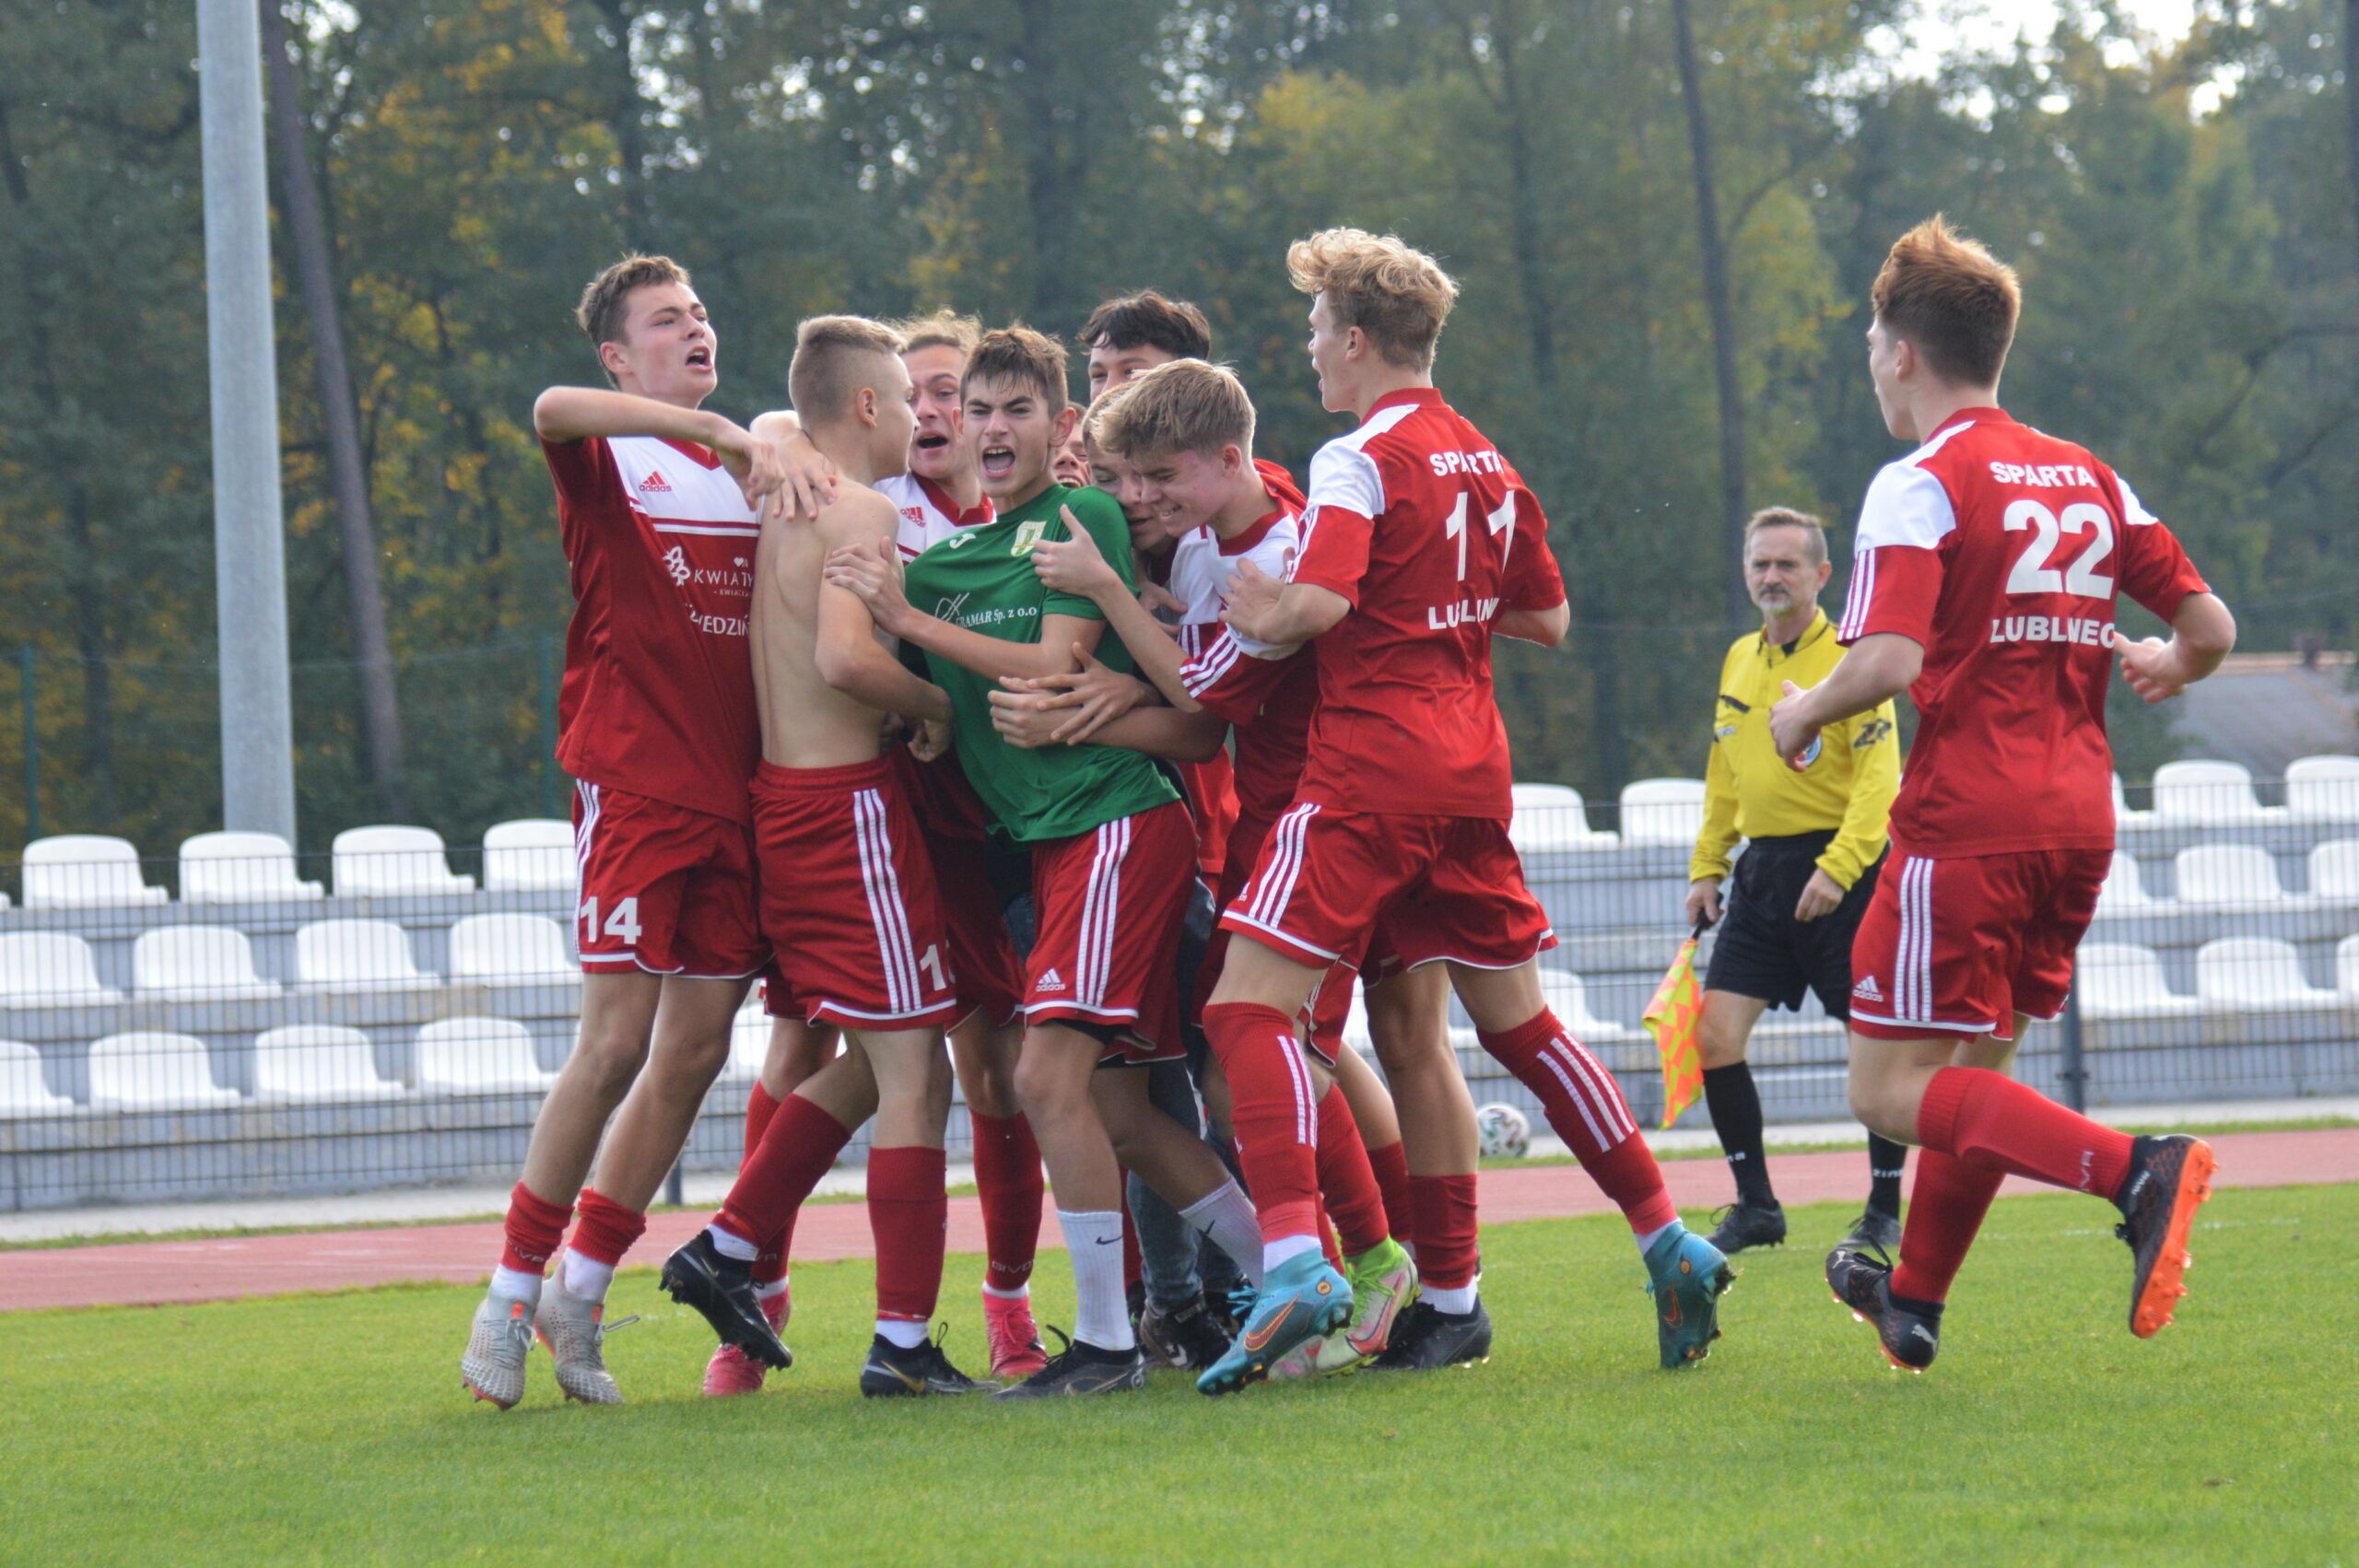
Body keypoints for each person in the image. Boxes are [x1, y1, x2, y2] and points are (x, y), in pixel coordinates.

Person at [1195, 228, 1733, 1395]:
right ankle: (1663, 1237)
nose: (1309, 353)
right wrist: (1430, 605)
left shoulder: (1357, 455)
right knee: (1519, 1028)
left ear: (1354, 339)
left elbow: (1317, 604)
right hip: (1470, 772)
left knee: (1242, 1007)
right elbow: (1547, 618)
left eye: (1314, 332)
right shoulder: (1488, 459)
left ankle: (1294, 1263)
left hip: (1368, 772)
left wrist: (1261, 605)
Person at [1768, 216, 2235, 1373]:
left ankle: (2136, 1171)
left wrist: (1802, 709)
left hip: (1967, 821)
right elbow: (2210, 626)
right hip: (2076, 819)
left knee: (1888, 1089)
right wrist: (2171, 665)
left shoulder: (1919, 481)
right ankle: (1913, 1298)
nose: (1871, 364)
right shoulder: (2088, 474)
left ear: (1900, 353)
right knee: (1978, 1067)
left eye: (1871, 345)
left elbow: (1888, 661)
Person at [827, 327, 1264, 1398]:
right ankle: (1292, 1279)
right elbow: (897, 673)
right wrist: (924, 697)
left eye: (1017, 409)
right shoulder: (947, 560)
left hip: (1115, 827)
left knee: (1044, 1077)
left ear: (1061, 425)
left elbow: (1052, 662)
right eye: (976, 408)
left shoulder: (1083, 518)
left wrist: (907, 615)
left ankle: (1110, 1345)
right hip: (1048, 851)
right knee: (1121, 1114)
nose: (991, 427)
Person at [994, 361, 1421, 1377]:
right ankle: (1341, 1269)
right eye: (1121, 477)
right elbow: (1188, 680)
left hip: (1326, 822)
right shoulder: (1201, 541)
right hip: (1268, 831)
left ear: (1221, 458)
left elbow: (1200, 704)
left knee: (1270, 1054)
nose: (1137, 497)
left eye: (1153, 476)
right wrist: (1130, 653)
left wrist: (1108, 626)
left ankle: (1367, 1266)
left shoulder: (1275, 546)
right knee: (1247, 1067)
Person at [460, 254, 830, 1410]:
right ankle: (507, 1292)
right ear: (619, 356)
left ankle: (578, 1290)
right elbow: (548, 408)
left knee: (696, 1049)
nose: (696, 328)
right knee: (615, 1042)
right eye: (668, 320)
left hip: (740, 797)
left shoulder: (758, 464)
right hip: (636, 788)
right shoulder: (616, 452)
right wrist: (715, 429)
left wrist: (757, 440)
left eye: (702, 312)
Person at [700, 312, 1050, 1396]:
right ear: (867, 407)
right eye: (907, 397)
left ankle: (731, 1245)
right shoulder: (857, 505)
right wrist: (937, 707)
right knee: (914, 1077)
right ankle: (894, 1339)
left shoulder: (787, 494)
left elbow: (776, 427)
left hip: (796, 803)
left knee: (881, 1065)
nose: (922, 415)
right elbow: (847, 660)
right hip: (848, 809)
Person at [1686, 508, 1905, 1256]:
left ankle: (1884, 1209)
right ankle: (1757, 1208)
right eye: (1760, 563)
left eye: (1787, 564)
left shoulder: (1855, 659)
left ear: (1821, 575)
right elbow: (1725, 772)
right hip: (1761, 876)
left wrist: (1839, 869)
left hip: (1844, 873)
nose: (1772, 576)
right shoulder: (1738, 658)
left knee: (1875, 1050)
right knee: (1714, 1037)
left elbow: (1879, 783)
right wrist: (1708, 866)